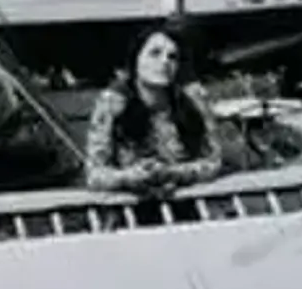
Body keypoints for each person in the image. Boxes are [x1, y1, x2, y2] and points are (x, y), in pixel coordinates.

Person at [83, 27, 224, 207]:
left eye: (172, 57)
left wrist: (173, 173)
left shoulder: (192, 99)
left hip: (187, 204)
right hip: (128, 209)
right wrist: (128, 177)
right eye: (155, 54)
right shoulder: (112, 103)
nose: (164, 62)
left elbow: (214, 162)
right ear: (136, 60)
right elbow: (94, 175)